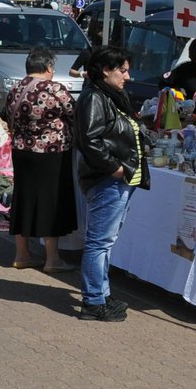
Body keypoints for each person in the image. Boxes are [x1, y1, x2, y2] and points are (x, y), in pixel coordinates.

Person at [75, 46, 149, 322]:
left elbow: (117, 131)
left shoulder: (111, 96)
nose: (127, 76)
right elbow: (90, 140)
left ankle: (101, 294)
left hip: (119, 179)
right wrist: (115, 168)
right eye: (122, 70)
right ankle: (93, 301)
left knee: (106, 241)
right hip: (108, 180)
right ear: (106, 70)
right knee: (99, 242)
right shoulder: (94, 97)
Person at [2, 46, 78, 271]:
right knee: (50, 202)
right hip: (51, 153)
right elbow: (74, 114)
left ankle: (22, 254)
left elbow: (7, 116)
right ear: (48, 67)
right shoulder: (55, 89)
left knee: (23, 198)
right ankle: (52, 259)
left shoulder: (16, 88)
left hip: (21, 152)